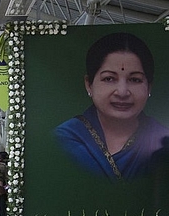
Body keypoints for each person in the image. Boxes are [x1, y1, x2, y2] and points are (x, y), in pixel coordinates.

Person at [55, 32, 169, 181]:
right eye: (109, 78)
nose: (122, 92)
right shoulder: (62, 140)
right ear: (89, 84)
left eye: (135, 79)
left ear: (149, 87)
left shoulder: (163, 141)